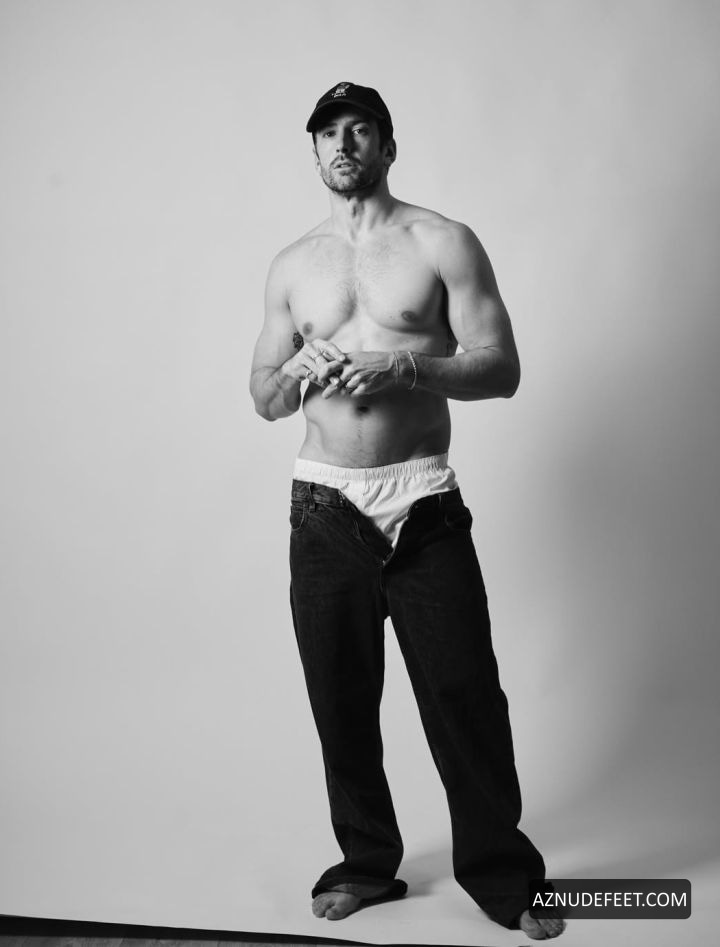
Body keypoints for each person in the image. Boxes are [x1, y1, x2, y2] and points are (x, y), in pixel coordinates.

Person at [249, 82, 564, 940]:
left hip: (421, 499)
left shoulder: (441, 241)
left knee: (465, 695)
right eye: (329, 133)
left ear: (388, 147)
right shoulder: (292, 264)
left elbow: (502, 368)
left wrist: (409, 368)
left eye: (361, 130)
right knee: (341, 699)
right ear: (315, 153)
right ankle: (365, 863)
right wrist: (292, 373)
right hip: (324, 507)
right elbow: (263, 397)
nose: (344, 144)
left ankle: (503, 875)